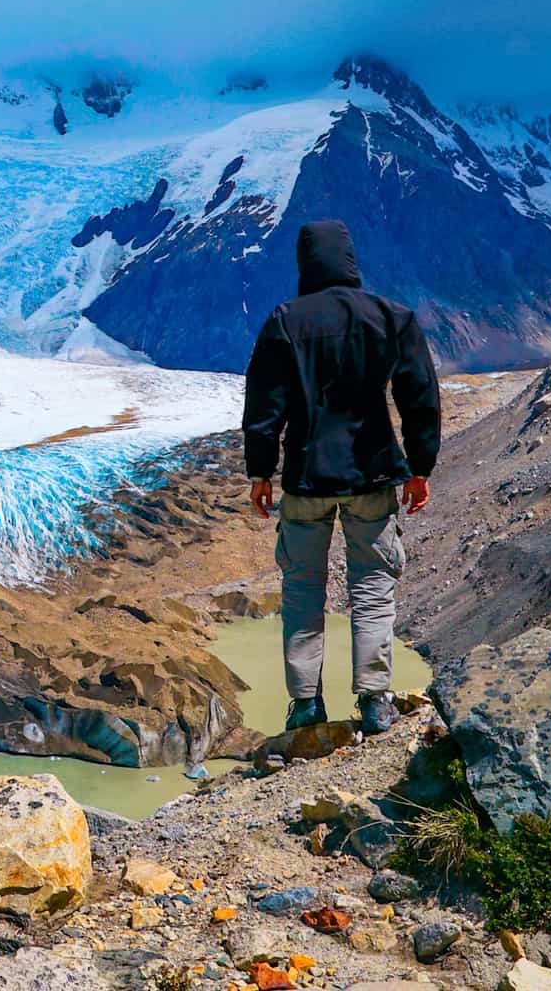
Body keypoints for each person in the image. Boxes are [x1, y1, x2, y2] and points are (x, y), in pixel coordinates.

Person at [240, 219, 440, 737]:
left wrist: (260, 470)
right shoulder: (391, 317)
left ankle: (306, 705)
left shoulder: (285, 321)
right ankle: (375, 700)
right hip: (372, 473)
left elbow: (264, 406)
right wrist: (421, 467)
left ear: (305, 262)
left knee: (303, 591)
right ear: (351, 260)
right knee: (372, 586)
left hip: (305, 478)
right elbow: (420, 397)